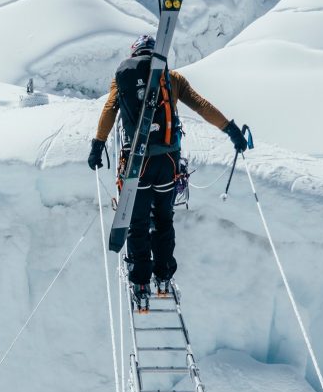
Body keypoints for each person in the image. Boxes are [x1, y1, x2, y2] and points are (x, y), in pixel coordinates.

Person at [88, 34, 249, 306]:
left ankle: (141, 283)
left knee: (138, 222)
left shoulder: (122, 78)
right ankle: (163, 276)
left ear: (134, 54)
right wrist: (231, 130)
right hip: (168, 163)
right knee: (164, 220)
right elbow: (202, 106)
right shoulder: (172, 78)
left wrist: (97, 145)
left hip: (137, 163)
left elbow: (109, 111)